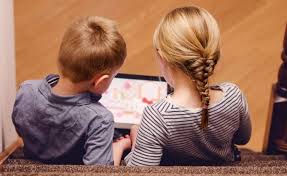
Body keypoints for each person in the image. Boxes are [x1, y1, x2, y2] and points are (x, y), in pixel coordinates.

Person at [125, 6, 252, 166]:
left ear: (162, 57)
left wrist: (138, 142)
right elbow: (243, 138)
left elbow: (139, 170)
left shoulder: (157, 116)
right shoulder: (234, 95)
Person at [12, 16, 130, 166]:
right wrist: (119, 145)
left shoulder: (26, 90)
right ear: (100, 81)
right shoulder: (100, 119)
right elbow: (99, 172)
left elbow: (21, 128)